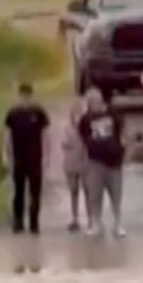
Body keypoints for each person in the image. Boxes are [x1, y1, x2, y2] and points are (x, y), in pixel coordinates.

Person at [3, 82, 50, 235]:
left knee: (35, 192)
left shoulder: (39, 113)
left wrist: (47, 156)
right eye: (22, 97)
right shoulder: (13, 114)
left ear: (31, 96)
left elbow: (46, 135)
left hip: (35, 157)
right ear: (19, 96)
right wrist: (5, 154)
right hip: (19, 158)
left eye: (27, 97)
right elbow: (7, 136)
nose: (25, 99)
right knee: (18, 192)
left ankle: (34, 222)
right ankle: (18, 222)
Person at [79, 88, 126, 238]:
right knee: (95, 195)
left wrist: (121, 148)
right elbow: (83, 137)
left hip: (114, 161)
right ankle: (96, 224)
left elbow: (122, 132)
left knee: (116, 195)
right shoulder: (85, 119)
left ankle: (118, 224)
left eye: (94, 102)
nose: (92, 105)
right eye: (89, 103)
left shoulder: (113, 114)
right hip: (95, 161)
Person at [60, 99, 88, 232]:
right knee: (73, 191)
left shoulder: (88, 128)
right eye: (76, 114)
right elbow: (64, 143)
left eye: (81, 113)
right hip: (71, 163)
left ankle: (91, 218)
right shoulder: (67, 128)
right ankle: (74, 218)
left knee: (89, 191)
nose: (78, 117)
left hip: (86, 163)